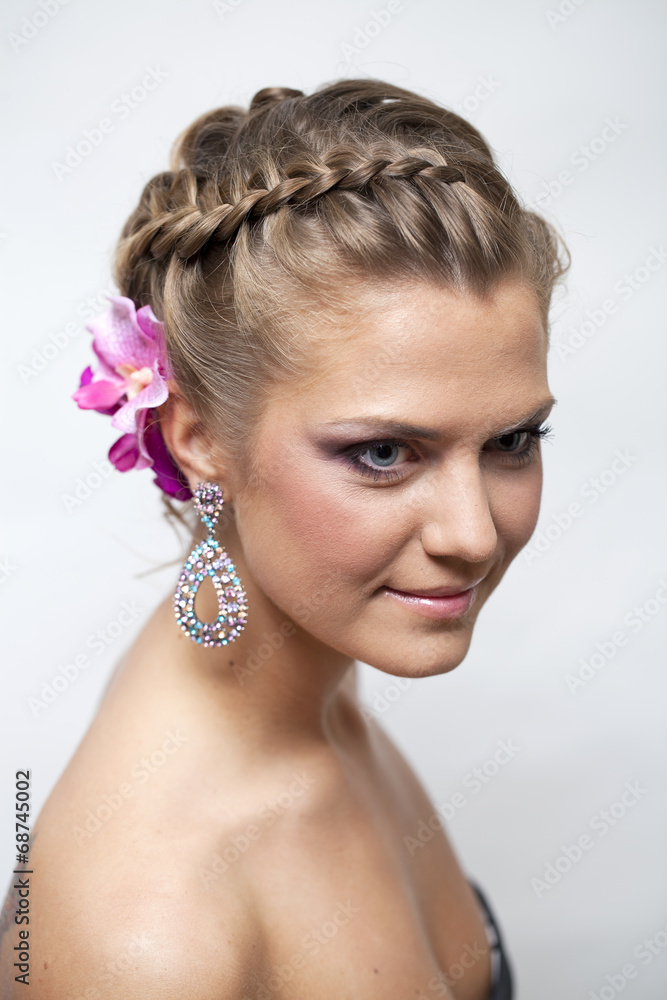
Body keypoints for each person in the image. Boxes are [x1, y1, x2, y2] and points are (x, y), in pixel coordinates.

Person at [0, 77, 569, 998]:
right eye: (382, 453)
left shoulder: (311, 692)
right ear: (197, 437)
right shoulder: (148, 946)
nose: (472, 536)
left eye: (511, 441)